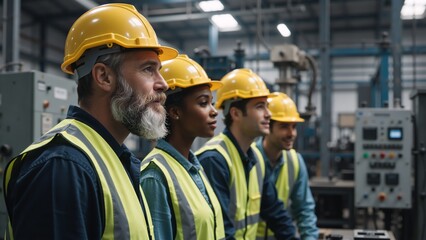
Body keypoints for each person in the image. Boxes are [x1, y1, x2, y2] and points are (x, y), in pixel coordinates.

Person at [3, 3, 178, 239]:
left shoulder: (119, 159)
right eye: (148, 69)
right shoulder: (63, 167)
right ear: (104, 76)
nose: (163, 84)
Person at [196, 68, 298, 240]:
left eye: (267, 106)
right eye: (260, 107)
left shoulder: (256, 157)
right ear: (235, 113)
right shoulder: (214, 159)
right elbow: (221, 229)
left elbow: (275, 212)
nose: (268, 114)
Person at [140, 54, 225, 240]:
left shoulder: (194, 167)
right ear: (175, 112)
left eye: (211, 102)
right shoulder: (155, 175)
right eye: (203, 103)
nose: (213, 111)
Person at [253, 92, 318, 240]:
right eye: (284, 127)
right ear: (267, 126)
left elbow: (304, 210)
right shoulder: (249, 158)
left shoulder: (295, 161)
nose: (292, 133)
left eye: (293, 127)